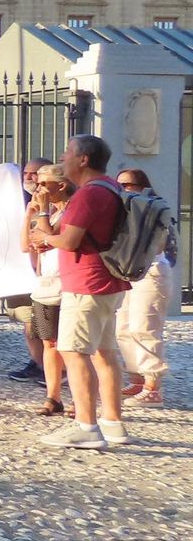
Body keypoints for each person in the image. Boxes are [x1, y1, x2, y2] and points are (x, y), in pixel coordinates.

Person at [31, 134, 131, 449]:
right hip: (108, 281)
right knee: (104, 353)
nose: (63, 157)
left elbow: (69, 240)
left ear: (83, 159)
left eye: (68, 152)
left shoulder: (89, 194)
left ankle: (86, 426)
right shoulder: (110, 187)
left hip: (86, 283)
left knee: (74, 352)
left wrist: (45, 238)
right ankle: (112, 422)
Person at [115, 168, 172, 409]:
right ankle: (136, 379)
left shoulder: (154, 208)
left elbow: (158, 245)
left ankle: (152, 387)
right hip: (128, 272)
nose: (122, 189)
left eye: (127, 185)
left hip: (151, 272)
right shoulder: (121, 210)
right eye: (119, 184)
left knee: (144, 327)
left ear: (141, 186)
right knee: (123, 328)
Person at [26, 164, 71, 416]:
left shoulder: (70, 211)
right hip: (46, 285)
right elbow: (29, 243)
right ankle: (53, 397)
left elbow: (48, 237)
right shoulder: (51, 213)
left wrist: (42, 212)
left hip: (67, 285)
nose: (38, 188)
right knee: (49, 343)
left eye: (43, 184)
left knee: (73, 346)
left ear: (61, 185)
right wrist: (30, 214)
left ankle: (81, 397)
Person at [7, 157, 56, 383]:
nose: (28, 177)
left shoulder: (53, 203)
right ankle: (38, 364)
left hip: (45, 274)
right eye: (26, 173)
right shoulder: (15, 198)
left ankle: (54, 370)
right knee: (28, 322)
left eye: (34, 173)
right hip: (20, 269)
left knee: (44, 327)